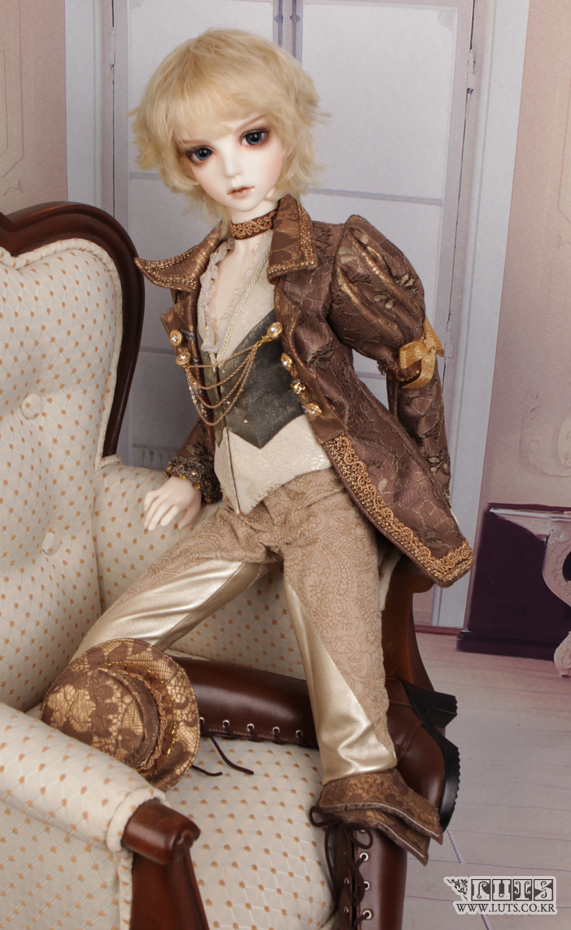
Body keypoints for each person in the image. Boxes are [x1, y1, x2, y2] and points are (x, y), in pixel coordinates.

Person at [72, 26, 472, 920]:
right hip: (244, 510)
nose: (232, 167)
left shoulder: (332, 253)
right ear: (182, 165)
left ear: (288, 130)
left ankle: (363, 893)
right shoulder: (205, 271)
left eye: (252, 136)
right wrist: (188, 473)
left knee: (357, 752)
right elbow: (226, 395)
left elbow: (413, 359)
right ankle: (296, 723)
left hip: (326, 501)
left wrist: (423, 487)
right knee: (103, 657)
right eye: (202, 152)